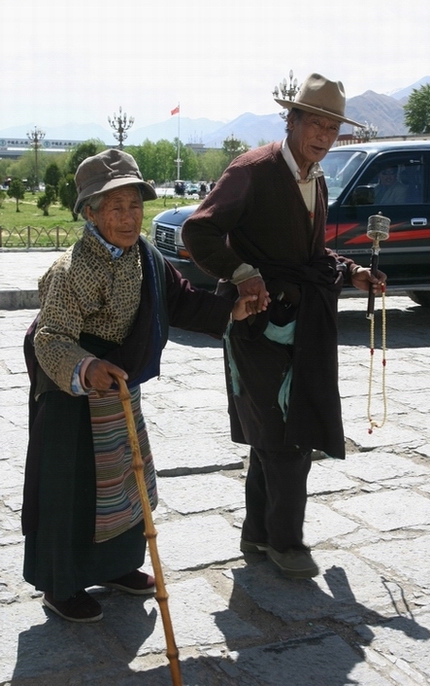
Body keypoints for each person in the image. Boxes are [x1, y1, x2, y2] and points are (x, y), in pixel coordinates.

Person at [21, 149, 258, 623]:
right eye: (115, 208)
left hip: (119, 383)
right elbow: (51, 336)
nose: (129, 218)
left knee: (124, 479)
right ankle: (60, 583)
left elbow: (180, 300)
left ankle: (115, 565)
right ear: (90, 213)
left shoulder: (144, 255)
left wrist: (232, 309)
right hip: (71, 390)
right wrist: (87, 368)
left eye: (135, 206)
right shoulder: (72, 271)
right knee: (74, 487)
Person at [182, 73, 386, 580]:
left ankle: (258, 533)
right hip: (254, 321)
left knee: (273, 433)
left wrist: (353, 273)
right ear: (291, 120)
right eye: (314, 123)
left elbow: (310, 255)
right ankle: (287, 543)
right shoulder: (252, 171)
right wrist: (243, 273)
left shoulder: (315, 176)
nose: (322, 136)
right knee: (286, 434)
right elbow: (199, 229)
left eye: (332, 128)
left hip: (302, 321)